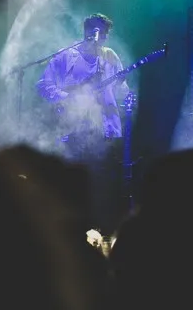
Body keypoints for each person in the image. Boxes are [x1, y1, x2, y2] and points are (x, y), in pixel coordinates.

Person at [37, 13, 129, 231]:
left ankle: (104, 232)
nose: (99, 37)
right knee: (76, 184)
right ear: (86, 32)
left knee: (105, 184)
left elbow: (120, 89)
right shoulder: (66, 57)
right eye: (95, 31)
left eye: (104, 33)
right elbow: (44, 85)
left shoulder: (110, 56)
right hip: (75, 130)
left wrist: (125, 90)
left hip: (106, 130)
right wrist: (69, 99)